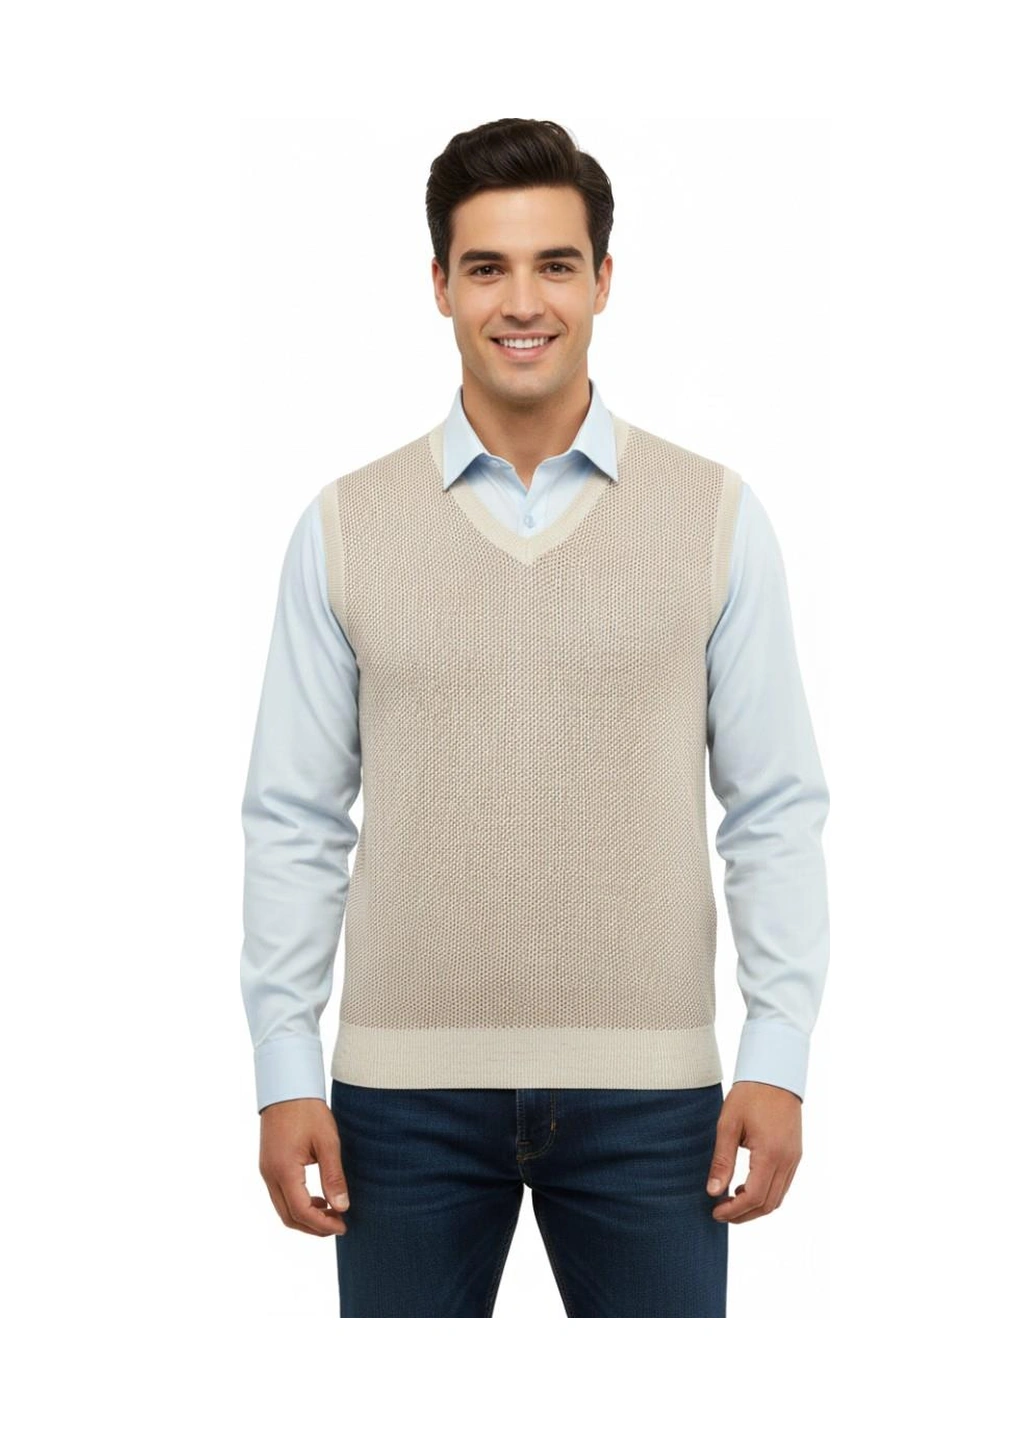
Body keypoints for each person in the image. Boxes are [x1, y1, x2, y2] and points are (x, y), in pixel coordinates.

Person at [240, 117, 831, 1318]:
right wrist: (282, 1065)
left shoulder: (712, 515)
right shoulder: (345, 525)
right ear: (440, 285)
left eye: (554, 264)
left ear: (603, 279)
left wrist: (777, 1052)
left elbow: (771, 805)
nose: (522, 301)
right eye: (487, 267)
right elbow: (294, 815)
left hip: (653, 1102)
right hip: (397, 1103)